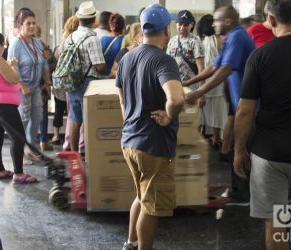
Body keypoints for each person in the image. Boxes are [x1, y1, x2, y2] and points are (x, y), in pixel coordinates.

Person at [234, 1, 291, 249]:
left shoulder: (260, 56)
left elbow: (245, 112)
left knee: (277, 219)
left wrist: (239, 150)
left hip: (269, 154)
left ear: (272, 21)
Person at [116, 4, 184, 250]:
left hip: (130, 141)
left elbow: (122, 98)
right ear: (167, 30)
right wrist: (168, 115)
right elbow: (176, 99)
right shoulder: (163, 60)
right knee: (152, 205)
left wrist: (132, 120)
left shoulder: (127, 58)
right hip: (153, 144)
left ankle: (131, 243)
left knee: (142, 195)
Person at [185, 6, 255, 204]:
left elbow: (225, 69)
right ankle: (239, 191)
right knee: (236, 146)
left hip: (249, 106)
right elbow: (214, 66)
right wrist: (189, 83)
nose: (213, 24)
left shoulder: (238, 37)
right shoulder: (231, 37)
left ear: (228, 22)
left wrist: (199, 92)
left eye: (217, 20)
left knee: (241, 149)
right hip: (238, 102)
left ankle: (243, 195)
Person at [0, 31, 37, 184]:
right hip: (3, 105)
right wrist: (14, 67)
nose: (4, 47)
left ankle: (0, 171)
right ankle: (19, 174)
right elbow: (14, 79)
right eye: (2, 44)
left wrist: (7, 66)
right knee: (18, 137)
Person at [8, 8, 51, 163]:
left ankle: (31, 148)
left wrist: (47, 82)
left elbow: (45, 63)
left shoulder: (38, 42)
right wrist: (21, 85)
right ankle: (19, 153)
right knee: (23, 120)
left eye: (34, 23)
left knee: (37, 118)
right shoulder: (15, 45)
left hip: (36, 88)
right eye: (28, 23)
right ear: (20, 26)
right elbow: (11, 69)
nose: (32, 26)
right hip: (22, 90)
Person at [68, 1, 106, 152]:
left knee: (75, 121)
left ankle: (73, 154)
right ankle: (92, 156)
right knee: (90, 123)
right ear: (93, 19)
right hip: (88, 83)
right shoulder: (92, 38)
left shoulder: (71, 37)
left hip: (72, 82)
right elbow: (99, 66)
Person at [196, 14, 228, 148]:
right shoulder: (219, 39)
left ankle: (201, 137)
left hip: (204, 81)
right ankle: (216, 137)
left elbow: (201, 66)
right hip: (217, 81)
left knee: (203, 112)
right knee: (218, 112)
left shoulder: (199, 40)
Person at [53, 15, 79, 149]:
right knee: (73, 114)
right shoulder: (74, 42)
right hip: (71, 83)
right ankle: (70, 142)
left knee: (60, 111)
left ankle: (58, 136)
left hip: (60, 84)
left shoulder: (62, 43)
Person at [166, 10, 204, 92]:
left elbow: (201, 69)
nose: (182, 27)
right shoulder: (172, 41)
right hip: (175, 84)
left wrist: (201, 92)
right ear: (176, 24)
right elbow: (167, 64)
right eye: (180, 24)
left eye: (186, 25)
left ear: (191, 25)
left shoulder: (195, 41)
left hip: (192, 86)